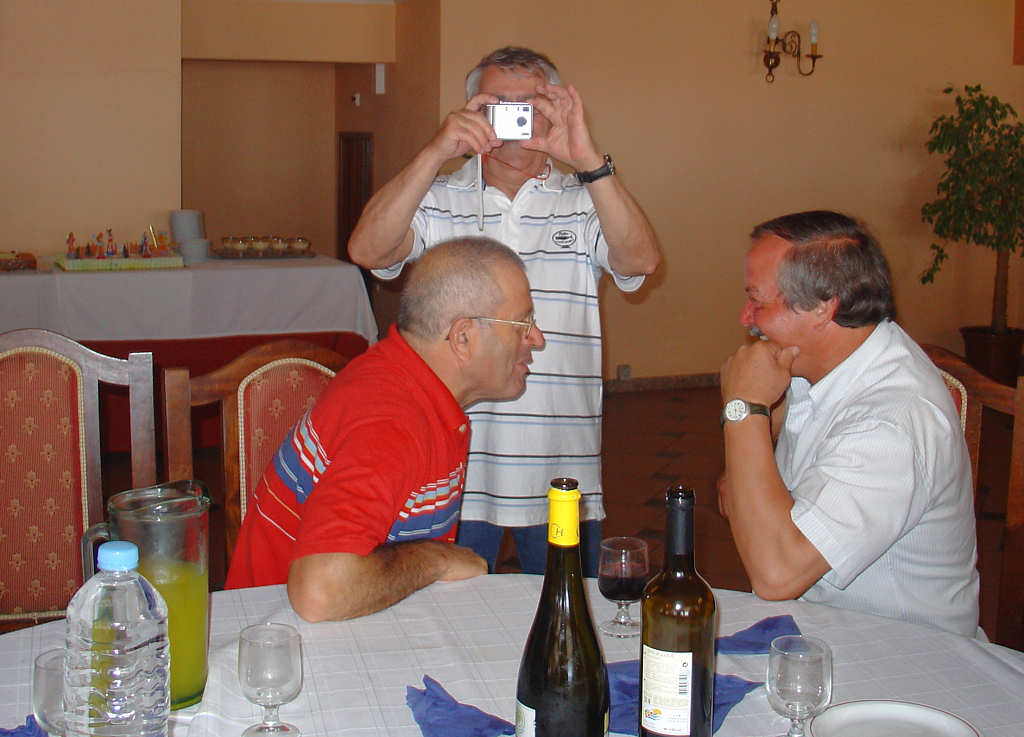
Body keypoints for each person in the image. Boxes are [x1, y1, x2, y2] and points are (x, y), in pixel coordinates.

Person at [347, 46, 661, 576]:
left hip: (561, 466)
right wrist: (435, 152)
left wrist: (588, 160)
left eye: (530, 106)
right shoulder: (438, 197)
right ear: (471, 111)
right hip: (450, 470)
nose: (515, 122)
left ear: (555, 111)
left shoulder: (588, 199)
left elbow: (640, 260)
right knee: (446, 616)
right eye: (498, 106)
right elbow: (367, 250)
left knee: (564, 614)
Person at [226, 237, 545, 621]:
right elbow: (319, 594)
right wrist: (438, 558)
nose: (536, 339)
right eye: (523, 324)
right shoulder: (392, 421)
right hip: (278, 637)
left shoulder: (410, 384)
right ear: (463, 337)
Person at [718, 210, 980, 636]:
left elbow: (776, 575)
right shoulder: (820, 365)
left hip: (903, 654)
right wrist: (754, 430)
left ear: (823, 306)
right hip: (822, 633)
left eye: (758, 301)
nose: (745, 317)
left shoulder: (891, 422)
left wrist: (742, 408)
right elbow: (739, 498)